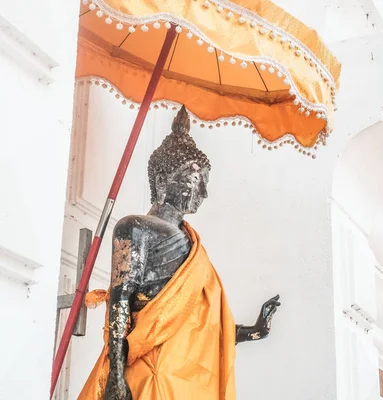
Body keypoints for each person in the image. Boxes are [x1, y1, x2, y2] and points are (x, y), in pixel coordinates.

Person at [79, 106, 280, 400]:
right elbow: (120, 302)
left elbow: (200, 328)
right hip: (149, 374)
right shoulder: (134, 228)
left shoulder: (192, 246)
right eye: (196, 179)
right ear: (162, 181)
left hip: (184, 380)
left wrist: (253, 330)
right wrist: (116, 375)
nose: (204, 192)